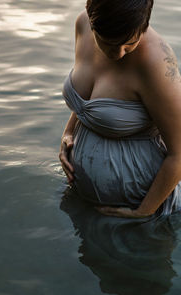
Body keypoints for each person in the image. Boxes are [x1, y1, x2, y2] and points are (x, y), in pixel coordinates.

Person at [59, 0, 181, 218]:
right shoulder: (82, 25)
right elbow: (89, 97)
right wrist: (68, 132)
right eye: (108, 43)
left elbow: (179, 153)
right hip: (84, 199)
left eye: (130, 44)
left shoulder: (157, 62)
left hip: (139, 207)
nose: (119, 54)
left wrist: (143, 212)